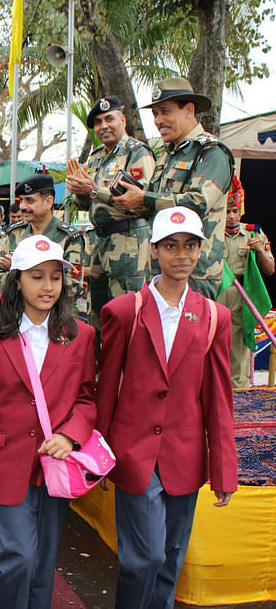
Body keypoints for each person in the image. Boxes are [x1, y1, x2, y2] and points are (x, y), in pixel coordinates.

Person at [96, 207, 237, 609]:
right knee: (145, 557)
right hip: (134, 451)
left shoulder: (214, 316)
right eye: (171, 246)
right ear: (154, 250)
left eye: (190, 246)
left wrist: (224, 468)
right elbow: (107, 387)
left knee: (172, 556)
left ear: (201, 251)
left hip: (185, 455)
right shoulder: (126, 311)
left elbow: (218, 397)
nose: (181, 255)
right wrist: (100, 453)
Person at [0, 234, 97, 609]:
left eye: (55, 276)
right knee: (15, 555)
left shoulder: (81, 336)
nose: (47, 286)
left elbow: (86, 398)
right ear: (16, 280)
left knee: (44, 561)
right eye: (36, 276)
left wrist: (70, 436)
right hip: (3, 461)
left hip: (56, 466)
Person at [111, 77, 234, 299]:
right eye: (155, 114)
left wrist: (144, 198)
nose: (159, 120)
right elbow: (156, 206)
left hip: (195, 271)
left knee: (190, 333)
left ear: (188, 110)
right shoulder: (168, 153)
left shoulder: (211, 153)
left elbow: (198, 203)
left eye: (165, 111)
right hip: (160, 269)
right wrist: (129, 197)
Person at [66, 96, 156, 329]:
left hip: (129, 241)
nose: (103, 126)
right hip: (101, 241)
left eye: (109, 119)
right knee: (98, 312)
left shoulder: (137, 153)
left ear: (122, 120)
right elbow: (88, 202)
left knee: (126, 313)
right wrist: (80, 192)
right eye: (97, 122)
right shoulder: (96, 157)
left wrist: (94, 190)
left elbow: (143, 201)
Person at [0, 175, 86, 303]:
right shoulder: (13, 234)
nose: (22, 206)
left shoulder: (69, 238)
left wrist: (22, 272)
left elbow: (72, 286)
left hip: (55, 315)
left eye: (29, 201)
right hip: (18, 312)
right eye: (21, 200)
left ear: (48, 202)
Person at [218, 178, 274, 387]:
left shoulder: (254, 233)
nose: (231, 216)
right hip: (217, 293)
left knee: (241, 343)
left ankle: (239, 389)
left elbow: (270, 269)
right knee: (212, 340)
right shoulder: (211, 234)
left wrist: (259, 249)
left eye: (235, 210)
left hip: (243, 295)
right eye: (227, 211)